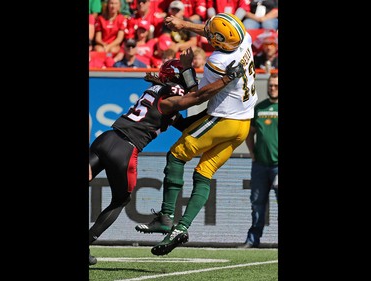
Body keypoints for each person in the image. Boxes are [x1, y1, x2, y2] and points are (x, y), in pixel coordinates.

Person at [89, 47, 245, 265]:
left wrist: (215, 113)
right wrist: (228, 78)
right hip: (125, 150)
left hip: (106, 138)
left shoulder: (156, 93)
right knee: (120, 200)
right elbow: (197, 95)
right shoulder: (170, 98)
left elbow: (183, 123)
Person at [135, 12, 258, 256]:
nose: (207, 32)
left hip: (223, 119)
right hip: (242, 123)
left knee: (176, 155)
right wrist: (184, 25)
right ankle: (181, 228)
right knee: (203, 171)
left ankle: (166, 217)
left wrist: (188, 70)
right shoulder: (244, 40)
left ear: (219, 41)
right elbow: (213, 33)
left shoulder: (217, 62)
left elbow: (197, 95)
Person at [239, 72, 278, 249]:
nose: (273, 88)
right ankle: (253, 239)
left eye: (276, 86)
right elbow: (249, 133)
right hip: (260, 165)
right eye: (271, 85)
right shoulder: (259, 107)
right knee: (257, 203)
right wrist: (253, 154)